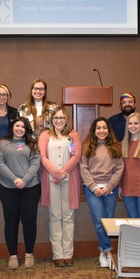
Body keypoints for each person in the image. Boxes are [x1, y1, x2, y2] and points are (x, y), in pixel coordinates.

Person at [0, 117, 41, 270]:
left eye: (23, 126)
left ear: (26, 129)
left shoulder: (32, 143)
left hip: (30, 187)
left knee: (29, 220)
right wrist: (15, 179)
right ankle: (12, 255)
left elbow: (35, 163)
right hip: (8, 187)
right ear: (12, 127)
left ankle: (29, 254)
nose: (20, 128)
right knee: (11, 220)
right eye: (17, 125)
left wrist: (24, 180)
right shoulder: (3, 143)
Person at [38, 106, 82, 267]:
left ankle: (68, 253)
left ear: (66, 120)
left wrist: (62, 172)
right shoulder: (45, 135)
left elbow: (76, 156)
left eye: (61, 118)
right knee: (55, 216)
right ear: (51, 120)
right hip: (50, 180)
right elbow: (42, 156)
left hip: (69, 179)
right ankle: (58, 254)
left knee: (68, 217)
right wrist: (55, 174)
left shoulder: (73, 135)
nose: (58, 121)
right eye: (56, 118)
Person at [80, 117, 124, 268]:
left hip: (109, 188)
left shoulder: (115, 147)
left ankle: (102, 250)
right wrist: (94, 187)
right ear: (94, 130)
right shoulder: (87, 147)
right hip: (92, 189)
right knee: (99, 221)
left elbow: (119, 169)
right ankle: (109, 252)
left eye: (104, 128)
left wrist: (109, 187)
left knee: (109, 221)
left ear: (108, 130)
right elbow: (83, 169)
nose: (101, 131)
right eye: (98, 128)